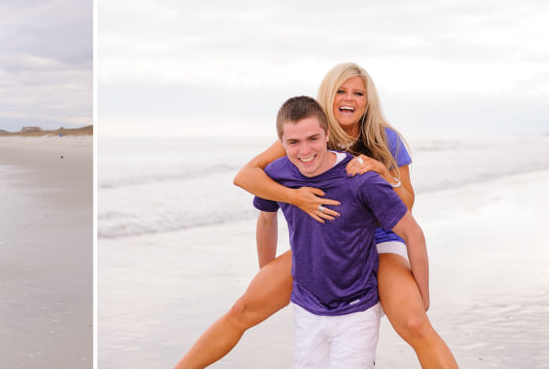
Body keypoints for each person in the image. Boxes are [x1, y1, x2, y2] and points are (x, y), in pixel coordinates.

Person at [177, 64, 457, 368]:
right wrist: (295, 197)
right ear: (328, 95)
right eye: (341, 91)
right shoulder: (309, 135)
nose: (348, 99)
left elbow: (408, 205)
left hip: (381, 241)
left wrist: (381, 171)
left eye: (358, 93)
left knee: (415, 324)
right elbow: (248, 175)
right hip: (324, 240)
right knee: (243, 309)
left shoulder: (386, 139)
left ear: (367, 100)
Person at [273, 96, 430, 366]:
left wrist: (423, 295)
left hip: (357, 309)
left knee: (416, 325)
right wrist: (267, 267)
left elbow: (412, 231)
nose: (305, 149)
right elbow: (257, 202)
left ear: (327, 135)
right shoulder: (279, 173)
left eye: (313, 139)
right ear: (282, 143)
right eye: (294, 142)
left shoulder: (361, 177)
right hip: (307, 310)